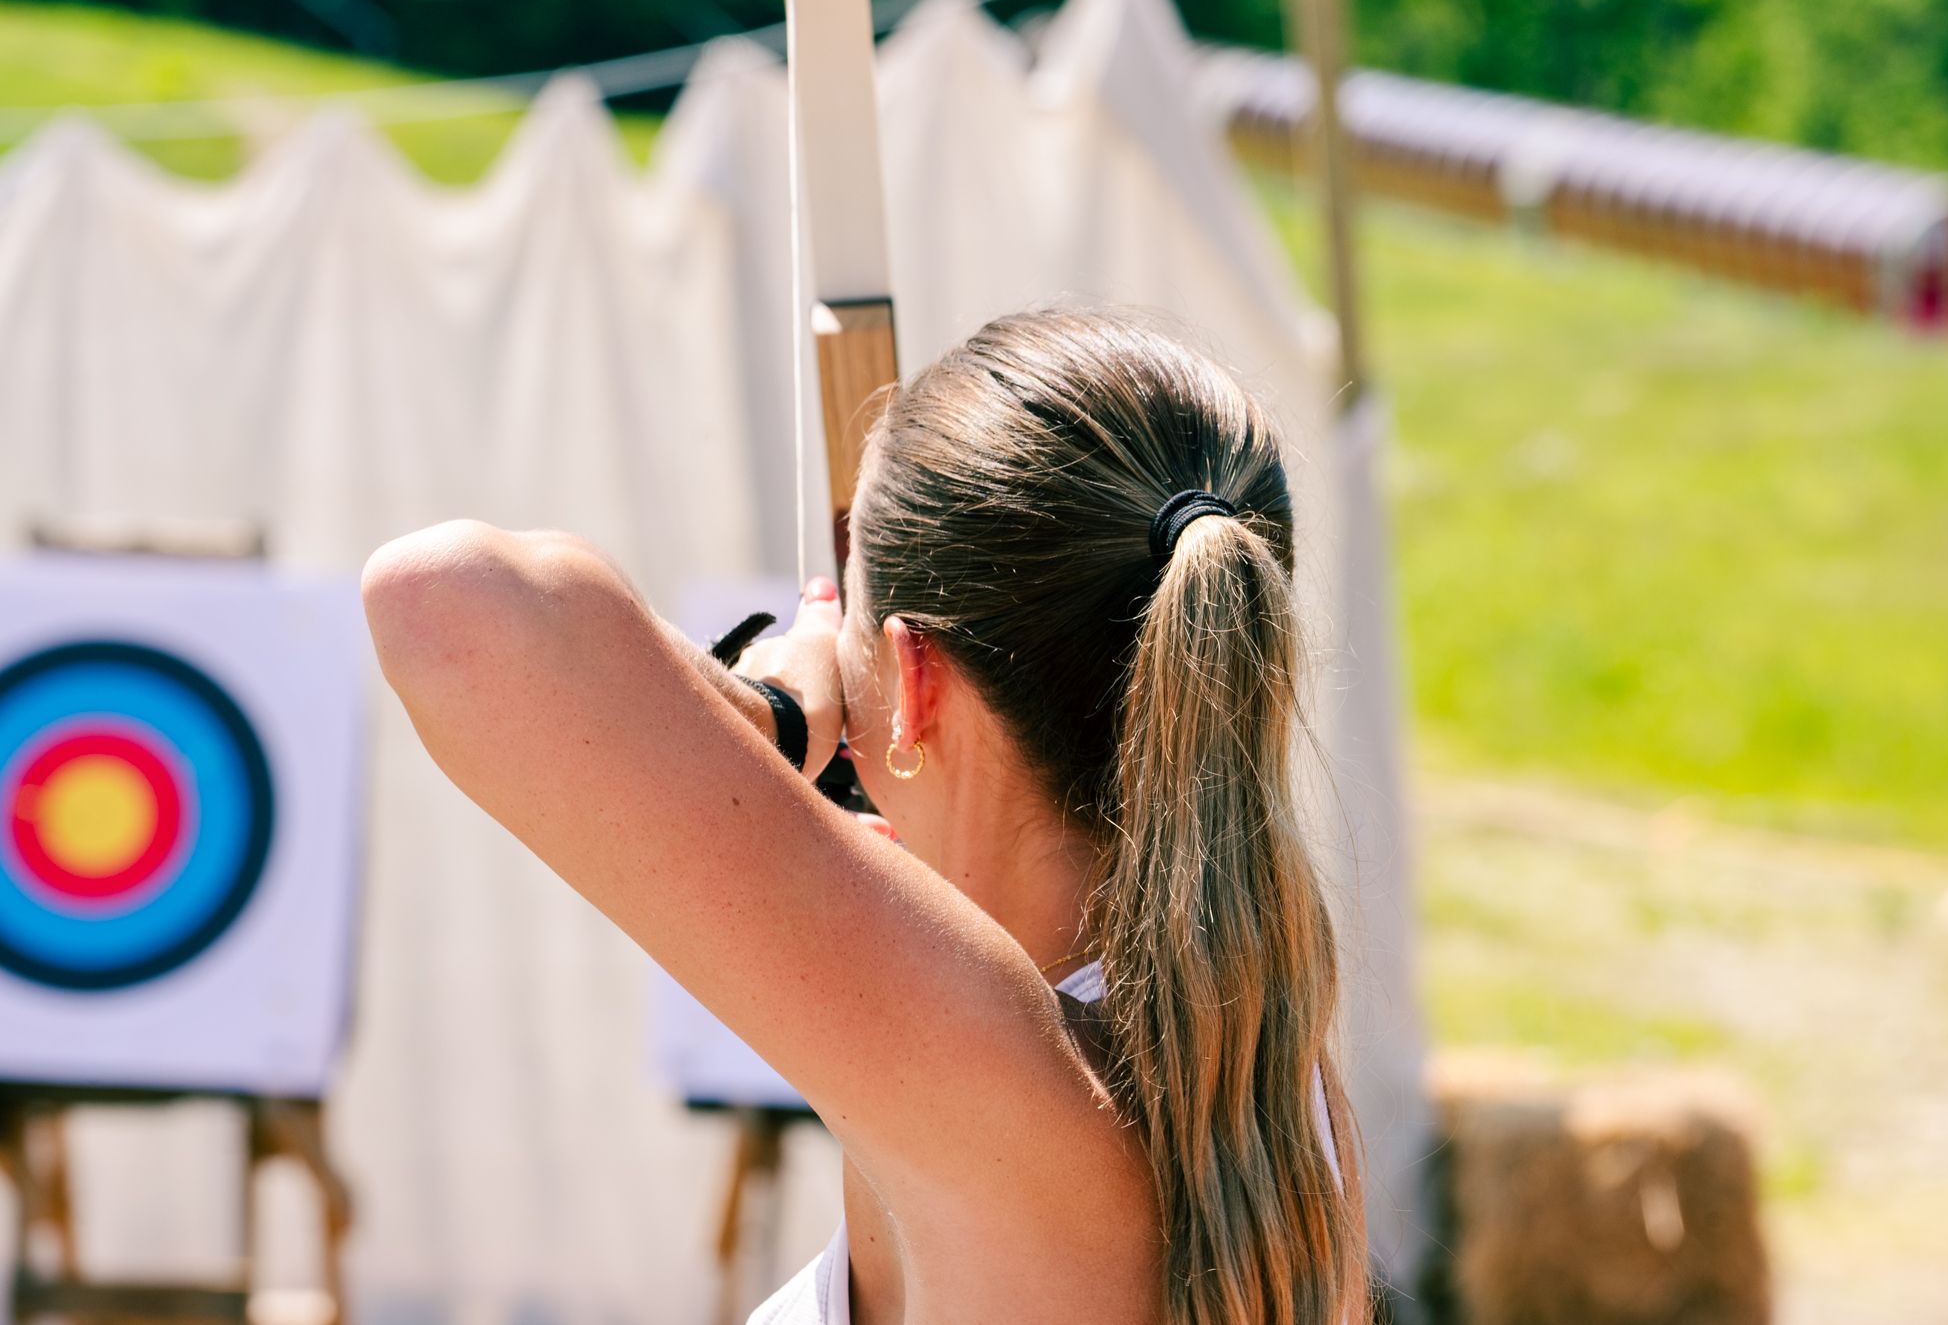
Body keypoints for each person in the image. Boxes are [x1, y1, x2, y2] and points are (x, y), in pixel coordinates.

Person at [362, 308, 1367, 1324]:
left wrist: (773, 712)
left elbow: (447, 604)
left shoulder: (995, 1064)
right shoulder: (1262, 1066)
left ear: (913, 679)